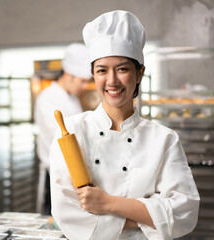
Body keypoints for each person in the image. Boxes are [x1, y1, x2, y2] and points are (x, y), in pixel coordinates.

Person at [50, 10, 200, 240]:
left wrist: (108, 203)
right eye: (102, 70)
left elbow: (184, 211)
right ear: (92, 74)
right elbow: (66, 213)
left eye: (122, 69)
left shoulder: (164, 138)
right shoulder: (71, 132)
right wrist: (145, 217)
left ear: (139, 73)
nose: (112, 81)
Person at [34, 43, 92, 215]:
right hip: (56, 175)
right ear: (68, 75)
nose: (84, 87)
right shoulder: (48, 98)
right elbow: (61, 139)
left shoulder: (72, 98)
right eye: (82, 81)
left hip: (75, 174)